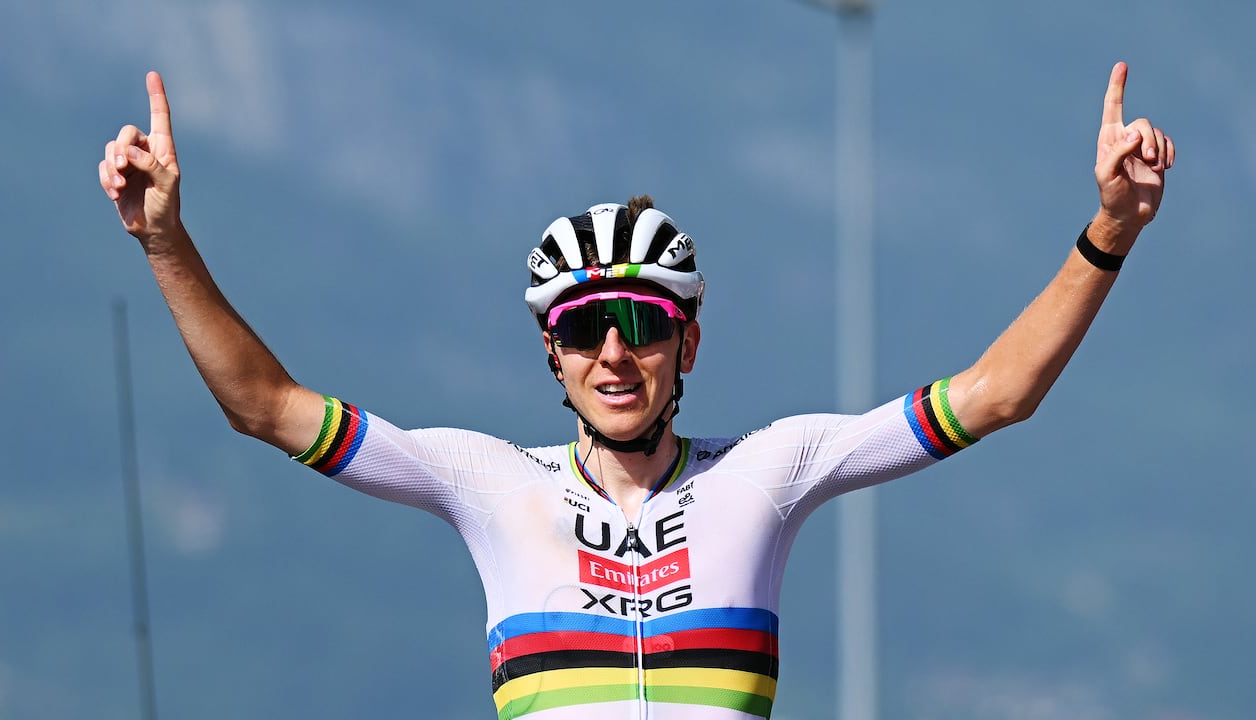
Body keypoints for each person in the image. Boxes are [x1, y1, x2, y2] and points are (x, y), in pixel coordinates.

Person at [98, 62, 1172, 720]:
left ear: (686, 344)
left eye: (643, 324)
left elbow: (993, 394)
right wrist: (164, 242)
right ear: (551, 359)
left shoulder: (768, 471)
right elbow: (265, 405)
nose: (614, 353)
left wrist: (1108, 234)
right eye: (580, 330)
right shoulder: (486, 480)